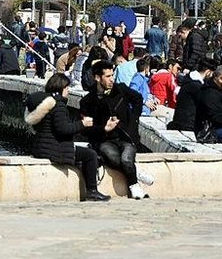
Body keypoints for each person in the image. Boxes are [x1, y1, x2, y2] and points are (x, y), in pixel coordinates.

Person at [25, 73, 112, 202]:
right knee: (90, 155)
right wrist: (82, 124)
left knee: (83, 154)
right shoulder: (58, 105)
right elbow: (63, 130)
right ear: (61, 88)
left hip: (41, 147)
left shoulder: (43, 102)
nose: (69, 91)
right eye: (67, 88)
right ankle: (92, 191)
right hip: (54, 148)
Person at [79, 60, 153, 200]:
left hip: (125, 137)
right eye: (107, 76)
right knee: (113, 158)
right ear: (97, 78)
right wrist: (104, 128)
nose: (111, 79)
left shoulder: (121, 89)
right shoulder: (87, 101)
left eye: (112, 75)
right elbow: (84, 129)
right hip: (105, 140)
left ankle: (134, 184)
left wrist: (133, 121)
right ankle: (135, 180)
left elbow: (137, 99)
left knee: (126, 159)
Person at [168, 59, 217, 142]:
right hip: (188, 125)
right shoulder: (196, 86)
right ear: (208, 72)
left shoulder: (188, 80)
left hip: (180, 121)